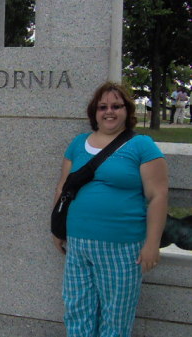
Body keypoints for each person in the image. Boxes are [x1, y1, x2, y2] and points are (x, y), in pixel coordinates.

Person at [52, 82, 168, 337]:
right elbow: (63, 188)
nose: (109, 111)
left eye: (116, 106)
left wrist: (152, 243)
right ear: (94, 112)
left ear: (127, 110)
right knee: (77, 310)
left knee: (116, 317)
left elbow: (158, 195)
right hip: (78, 245)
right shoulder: (78, 143)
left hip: (122, 247)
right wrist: (57, 228)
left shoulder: (142, 146)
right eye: (103, 107)